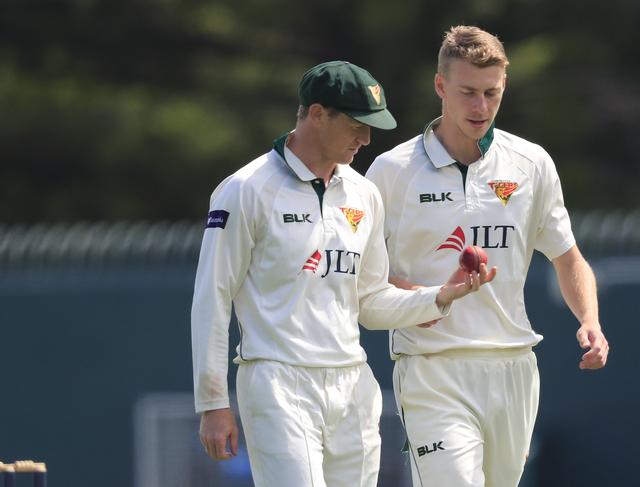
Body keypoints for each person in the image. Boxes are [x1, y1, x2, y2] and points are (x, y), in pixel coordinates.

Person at [191, 60, 494, 487]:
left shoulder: (364, 192)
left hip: (353, 384)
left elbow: (369, 302)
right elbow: (212, 298)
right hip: (279, 383)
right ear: (317, 114)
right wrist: (212, 402)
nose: (366, 139)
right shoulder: (245, 189)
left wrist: (440, 296)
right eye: (356, 124)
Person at [365, 26, 610, 487]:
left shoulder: (531, 162)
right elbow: (365, 277)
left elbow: (568, 256)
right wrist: (429, 298)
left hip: (514, 368)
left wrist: (590, 320)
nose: (480, 107)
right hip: (431, 369)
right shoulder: (392, 171)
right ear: (440, 87)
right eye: (467, 93)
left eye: (491, 93)